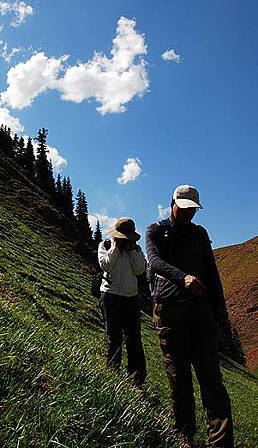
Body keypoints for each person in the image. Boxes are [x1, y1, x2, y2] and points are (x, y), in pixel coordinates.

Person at [146, 185, 233, 448]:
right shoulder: (156, 230)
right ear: (171, 203)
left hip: (200, 312)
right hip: (169, 312)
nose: (187, 215)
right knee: (179, 378)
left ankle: (220, 441)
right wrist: (181, 277)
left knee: (211, 379)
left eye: (192, 210)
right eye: (183, 209)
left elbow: (211, 270)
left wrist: (219, 308)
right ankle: (184, 436)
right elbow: (154, 261)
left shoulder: (200, 234)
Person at [98, 217, 147, 387]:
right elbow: (106, 265)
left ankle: (137, 379)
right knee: (114, 337)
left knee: (134, 339)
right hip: (110, 296)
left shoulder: (136, 250)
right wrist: (116, 248)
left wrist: (132, 250)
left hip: (131, 298)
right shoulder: (104, 246)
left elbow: (141, 270)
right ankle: (112, 375)